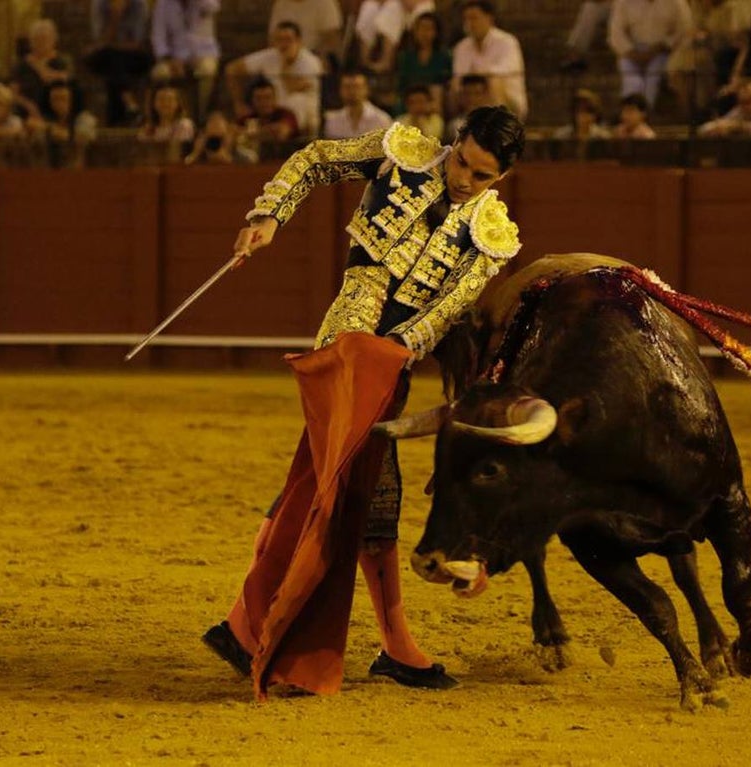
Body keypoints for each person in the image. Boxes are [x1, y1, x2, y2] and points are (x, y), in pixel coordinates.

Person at [201, 106, 525, 699]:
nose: (463, 180)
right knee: (341, 483)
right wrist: (269, 216)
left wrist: (394, 354)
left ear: (499, 178)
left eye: (481, 176)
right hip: (342, 348)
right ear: (454, 141)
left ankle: (255, 625)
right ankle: (294, 631)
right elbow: (315, 159)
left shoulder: (493, 235)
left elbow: (446, 310)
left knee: (338, 482)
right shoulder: (402, 151)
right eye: (461, 162)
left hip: (388, 364)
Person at [227, 21, 325, 137]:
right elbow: (232, 69)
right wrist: (239, 104)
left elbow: (291, 88)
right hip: (269, 112)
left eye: (288, 40)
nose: (284, 44)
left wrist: (285, 64)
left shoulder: (311, 62)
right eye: (279, 40)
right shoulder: (271, 55)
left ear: (299, 41)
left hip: (297, 117)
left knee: (297, 102)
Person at [607, 0, 694, 113]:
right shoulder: (624, 2)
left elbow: (684, 30)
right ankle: (628, 115)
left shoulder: (676, 3)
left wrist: (664, 45)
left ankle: (643, 115)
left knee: (652, 78)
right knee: (632, 80)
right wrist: (632, 52)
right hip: (632, 51)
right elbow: (616, 32)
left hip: (662, 51)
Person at [451, 1, 528, 119]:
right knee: (456, 84)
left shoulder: (507, 42)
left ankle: (499, 124)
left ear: (489, 18)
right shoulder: (461, 47)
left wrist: (479, 73)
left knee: (493, 82)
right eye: (466, 19)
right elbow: (460, 77)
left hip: (508, 101)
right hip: (472, 100)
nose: (470, 24)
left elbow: (502, 71)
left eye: (474, 18)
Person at [85, 0, 153, 127]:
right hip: (107, 56)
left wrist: (110, 45)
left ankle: (118, 117)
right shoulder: (99, 4)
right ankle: (129, 103)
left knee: (113, 63)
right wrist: (115, 18)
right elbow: (100, 40)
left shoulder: (139, 4)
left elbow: (136, 42)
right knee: (111, 60)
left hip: (133, 57)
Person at [150, 0, 220, 119]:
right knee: (160, 73)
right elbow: (158, 36)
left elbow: (213, 6)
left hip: (204, 53)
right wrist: (169, 59)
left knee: (207, 71)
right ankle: (162, 120)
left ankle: (200, 118)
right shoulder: (163, 4)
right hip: (174, 55)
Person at [10, 19, 72, 120]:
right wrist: (29, 106)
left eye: (44, 39)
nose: (40, 43)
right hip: (27, 114)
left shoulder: (61, 61)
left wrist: (36, 64)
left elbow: (53, 79)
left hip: (56, 113)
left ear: (53, 40)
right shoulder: (21, 65)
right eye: (36, 39)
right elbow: (13, 93)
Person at [395, 12, 452, 114]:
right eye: (421, 28)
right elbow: (402, 84)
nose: (425, 33)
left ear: (436, 32)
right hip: (410, 101)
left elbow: (444, 83)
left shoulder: (444, 56)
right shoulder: (406, 57)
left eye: (429, 28)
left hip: (434, 101)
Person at [356, 0, 435, 74]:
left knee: (393, 7)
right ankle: (365, 63)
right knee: (370, 7)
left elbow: (411, 4)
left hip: (419, 6)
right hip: (398, 6)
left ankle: (386, 61)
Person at [322, 71, 393, 139]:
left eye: (356, 87)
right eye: (347, 87)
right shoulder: (332, 120)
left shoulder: (382, 120)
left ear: (367, 89)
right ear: (340, 90)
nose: (352, 91)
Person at [269, 0, 345, 63]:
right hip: (284, 56)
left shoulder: (325, 3)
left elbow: (332, 40)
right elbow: (272, 38)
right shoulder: (281, 4)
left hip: (314, 56)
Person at [236, 77, 300, 143]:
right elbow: (234, 132)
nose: (264, 102)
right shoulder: (247, 118)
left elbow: (282, 133)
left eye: (268, 97)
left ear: (275, 98)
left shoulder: (286, 115)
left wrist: (249, 133)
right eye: (259, 99)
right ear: (252, 101)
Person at [445, 73, 494, 141]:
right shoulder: (454, 126)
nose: (472, 98)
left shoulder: (495, 124)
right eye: (468, 93)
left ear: (485, 95)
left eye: (477, 93)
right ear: (461, 96)